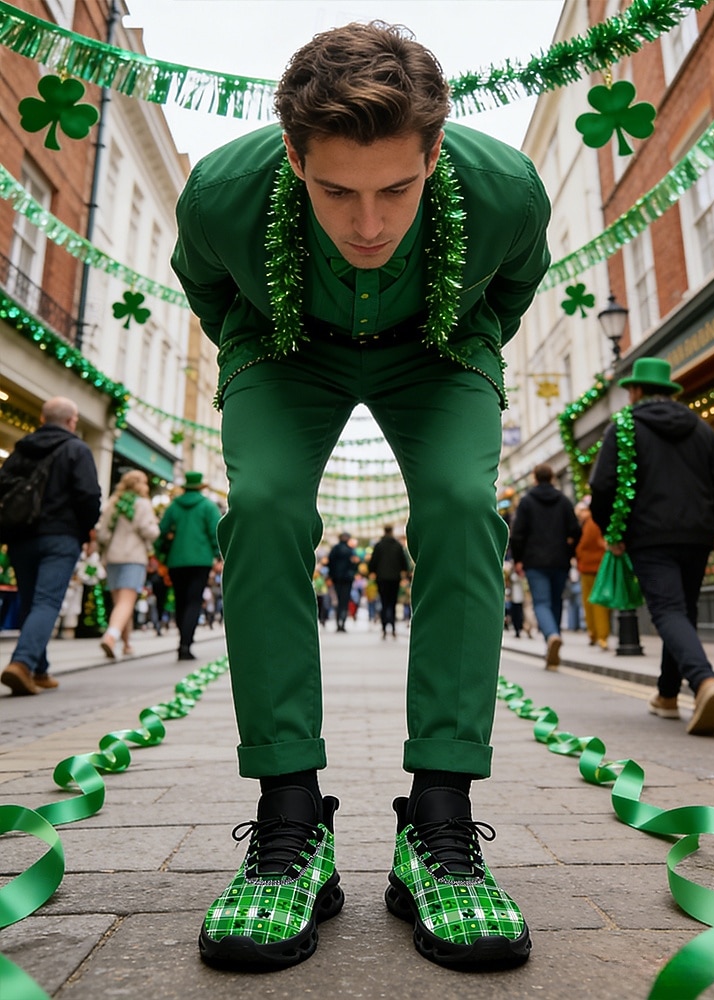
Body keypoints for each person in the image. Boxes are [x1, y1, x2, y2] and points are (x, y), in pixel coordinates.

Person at [171, 21, 550, 971]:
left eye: (398, 190)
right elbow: (209, 288)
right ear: (294, 155)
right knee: (264, 505)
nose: (370, 225)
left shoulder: (507, 191)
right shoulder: (219, 193)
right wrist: (269, 339)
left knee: (462, 502)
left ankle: (440, 822)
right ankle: (290, 820)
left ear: (436, 149)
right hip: (285, 342)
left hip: (439, 343)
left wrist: (456, 333)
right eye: (337, 191)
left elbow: (513, 286)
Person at [589, 357, 714, 735]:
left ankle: (704, 681)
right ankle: (668, 695)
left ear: (636, 391)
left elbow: (602, 486)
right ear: (668, 391)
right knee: (683, 611)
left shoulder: (624, 427)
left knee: (669, 610)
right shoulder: (701, 428)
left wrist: (612, 531)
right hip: (697, 535)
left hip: (649, 535)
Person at [0, 397, 100, 695]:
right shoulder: (77, 449)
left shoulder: (22, 449)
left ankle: (39, 670)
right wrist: (86, 530)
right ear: (71, 421)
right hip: (60, 536)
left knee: (31, 601)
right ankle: (22, 663)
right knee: (46, 602)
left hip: (21, 537)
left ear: (43, 419)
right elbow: (88, 495)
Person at [509, 464, 581, 669]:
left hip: (534, 562)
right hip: (560, 561)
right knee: (556, 602)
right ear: (552, 478)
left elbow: (517, 534)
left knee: (541, 603)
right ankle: (553, 640)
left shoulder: (526, 502)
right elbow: (576, 530)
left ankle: (551, 636)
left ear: (535, 478)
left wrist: (518, 560)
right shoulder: (564, 501)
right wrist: (569, 550)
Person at [95, 470, 160, 659]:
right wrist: (155, 527)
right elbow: (149, 531)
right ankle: (110, 637)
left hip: (113, 557)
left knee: (120, 603)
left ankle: (127, 644)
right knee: (127, 602)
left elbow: (102, 533)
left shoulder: (113, 503)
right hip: (133, 557)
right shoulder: (142, 504)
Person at [156, 472, 221, 661]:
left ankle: (182, 640)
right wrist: (218, 555)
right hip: (200, 560)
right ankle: (186, 644)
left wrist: (161, 553)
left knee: (180, 601)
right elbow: (215, 532)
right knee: (194, 601)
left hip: (176, 561)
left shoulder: (173, 506)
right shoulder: (208, 506)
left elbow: (161, 531)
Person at [575, 499, 610, 651]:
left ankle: (599, 635)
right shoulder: (591, 522)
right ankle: (596, 634)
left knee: (593, 602)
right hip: (594, 566)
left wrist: (578, 554)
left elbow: (587, 544)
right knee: (593, 602)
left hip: (592, 567)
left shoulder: (591, 523)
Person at [368, 524, 409, 638]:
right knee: (393, 602)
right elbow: (403, 562)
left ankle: (384, 628)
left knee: (384, 602)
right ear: (392, 531)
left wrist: (372, 571)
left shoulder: (379, 545)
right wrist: (404, 573)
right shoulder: (397, 545)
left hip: (381, 578)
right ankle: (393, 627)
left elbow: (373, 562)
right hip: (395, 578)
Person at [326, 532, 359, 632]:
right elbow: (354, 564)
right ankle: (343, 622)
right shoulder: (350, 551)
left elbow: (330, 563)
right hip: (347, 579)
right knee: (345, 600)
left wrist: (330, 576)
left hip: (336, 578)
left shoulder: (335, 549)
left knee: (337, 600)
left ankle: (338, 622)